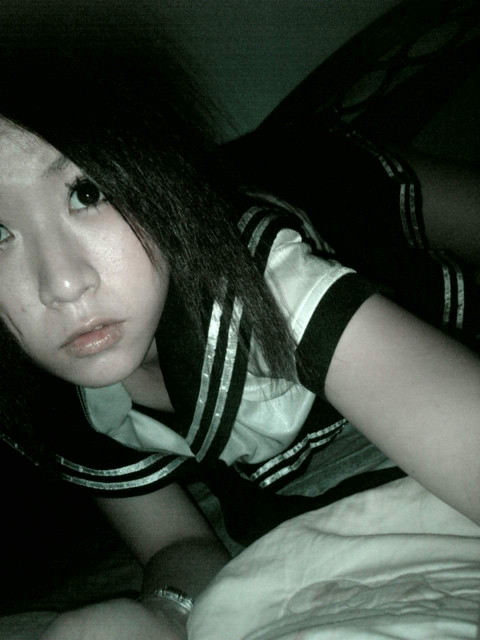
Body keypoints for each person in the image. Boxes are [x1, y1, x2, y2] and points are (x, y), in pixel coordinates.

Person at [0, 2, 479, 639]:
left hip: (342, 200)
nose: (61, 284)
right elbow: (174, 541)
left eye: (88, 193)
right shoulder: (54, 390)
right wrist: (161, 612)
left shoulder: (265, 278)